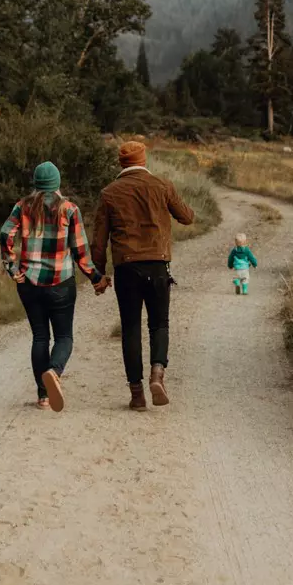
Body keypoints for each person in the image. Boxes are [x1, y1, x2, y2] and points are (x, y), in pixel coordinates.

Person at [90, 139, 195, 410]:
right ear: (143, 160)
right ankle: (157, 374)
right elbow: (187, 217)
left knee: (131, 328)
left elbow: (98, 242)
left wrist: (98, 274)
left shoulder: (109, 193)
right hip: (158, 265)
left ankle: (136, 395)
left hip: (126, 267)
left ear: (121, 162)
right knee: (159, 323)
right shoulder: (162, 185)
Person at [0, 161, 107, 412]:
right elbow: (81, 251)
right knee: (64, 336)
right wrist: (95, 277)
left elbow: (5, 234)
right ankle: (54, 372)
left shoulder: (22, 207)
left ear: (36, 183)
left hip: (29, 283)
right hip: (60, 282)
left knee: (40, 336)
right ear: (57, 184)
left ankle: (43, 396)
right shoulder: (69, 209)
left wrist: (12, 268)